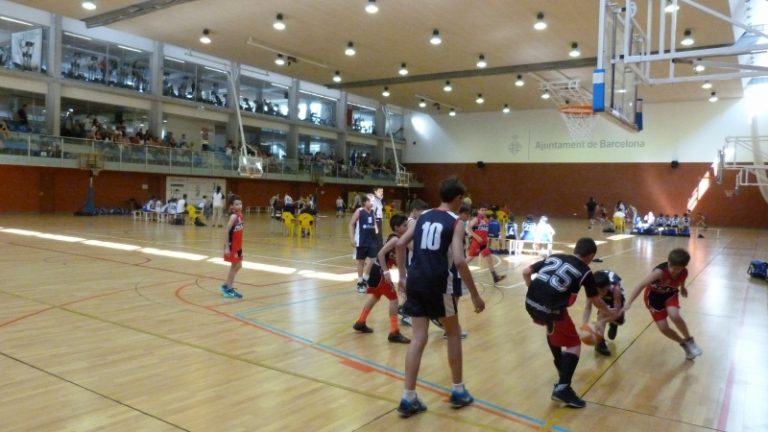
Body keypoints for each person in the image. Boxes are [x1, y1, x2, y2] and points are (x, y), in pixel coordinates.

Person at [394, 176, 486, 418]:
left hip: (415, 281)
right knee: (453, 333)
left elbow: (400, 244)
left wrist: (402, 276)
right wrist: (475, 295)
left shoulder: (422, 216)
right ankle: (458, 391)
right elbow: (459, 261)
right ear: (458, 198)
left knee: (418, 338)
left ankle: (408, 397)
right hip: (439, 284)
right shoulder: (456, 222)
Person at [523, 237, 616, 408]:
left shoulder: (555, 256)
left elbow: (526, 272)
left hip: (530, 303)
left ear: (575, 249)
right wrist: (610, 312)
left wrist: (534, 293)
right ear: (591, 256)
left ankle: (560, 363)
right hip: (551, 308)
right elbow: (596, 301)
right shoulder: (585, 271)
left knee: (551, 326)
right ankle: (563, 388)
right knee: (574, 344)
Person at [624, 248, 702, 360]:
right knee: (663, 328)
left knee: (674, 315)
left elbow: (682, 279)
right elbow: (641, 285)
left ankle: (690, 340)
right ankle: (683, 343)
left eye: (678, 269)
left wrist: (683, 287)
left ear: (683, 267)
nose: (674, 271)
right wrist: (629, 302)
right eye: (672, 267)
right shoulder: (658, 273)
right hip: (654, 297)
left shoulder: (684, 272)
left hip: (670, 294)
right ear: (668, 262)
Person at [352, 214, 410, 344]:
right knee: (394, 300)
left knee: (376, 296)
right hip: (379, 272)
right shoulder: (395, 240)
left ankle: (360, 322)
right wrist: (386, 272)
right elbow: (380, 254)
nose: (407, 228)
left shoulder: (395, 239)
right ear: (397, 227)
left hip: (376, 270)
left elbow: (392, 258)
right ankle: (394, 332)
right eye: (405, 225)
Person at [397, 198, 429, 328]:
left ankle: (406, 310)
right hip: (413, 261)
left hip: (413, 261)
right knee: (413, 289)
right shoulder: (412, 223)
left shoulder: (413, 222)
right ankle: (407, 313)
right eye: (422, 212)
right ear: (414, 211)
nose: (423, 215)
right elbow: (407, 243)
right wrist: (421, 250)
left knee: (413, 289)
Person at [581, 270, 625, 356]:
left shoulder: (616, 289)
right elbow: (587, 308)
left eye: (602, 291)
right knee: (602, 314)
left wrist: (602, 321)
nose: (600, 294)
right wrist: (584, 326)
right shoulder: (591, 289)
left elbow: (616, 314)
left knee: (618, 319)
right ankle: (600, 343)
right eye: (598, 291)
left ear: (608, 286)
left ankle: (613, 325)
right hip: (603, 289)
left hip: (614, 296)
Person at [465, 205, 506, 284]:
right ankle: (457, 269)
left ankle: (495, 277)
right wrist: (476, 237)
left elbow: (484, 230)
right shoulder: (476, 219)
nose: (484, 212)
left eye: (485, 210)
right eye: (482, 210)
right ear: (478, 211)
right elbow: (468, 228)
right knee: (470, 258)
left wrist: (486, 237)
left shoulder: (486, 220)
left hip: (483, 243)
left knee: (489, 259)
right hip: (477, 242)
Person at [349, 194, 379, 294]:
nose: (372, 203)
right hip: (361, 241)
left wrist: (376, 230)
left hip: (372, 241)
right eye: (370, 201)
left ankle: (365, 279)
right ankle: (360, 282)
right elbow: (351, 224)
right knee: (361, 262)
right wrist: (352, 238)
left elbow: (374, 224)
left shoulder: (373, 212)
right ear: (364, 202)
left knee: (373, 259)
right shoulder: (359, 211)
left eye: (373, 201)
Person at [221, 194, 244, 299]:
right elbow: (226, 231)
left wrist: (241, 248)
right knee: (234, 266)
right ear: (232, 206)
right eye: (236, 204)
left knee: (239, 265)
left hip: (238, 246)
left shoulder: (240, 215)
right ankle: (228, 290)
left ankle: (226, 285)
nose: (239, 206)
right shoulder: (233, 216)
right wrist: (226, 247)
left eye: (240, 204)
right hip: (232, 246)